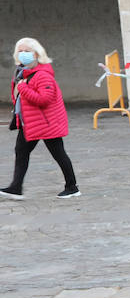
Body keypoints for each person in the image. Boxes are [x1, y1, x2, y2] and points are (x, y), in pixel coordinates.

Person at [4, 38, 79, 200]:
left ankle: (72, 187)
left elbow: (44, 99)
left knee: (59, 154)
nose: (23, 54)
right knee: (21, 151)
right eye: (20, 51)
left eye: (27, 51)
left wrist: (23, 88)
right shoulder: (23, 73)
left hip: (46, 124)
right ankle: (15, 187)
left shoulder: (43, 75)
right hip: (30, 123)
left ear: (37, 54)